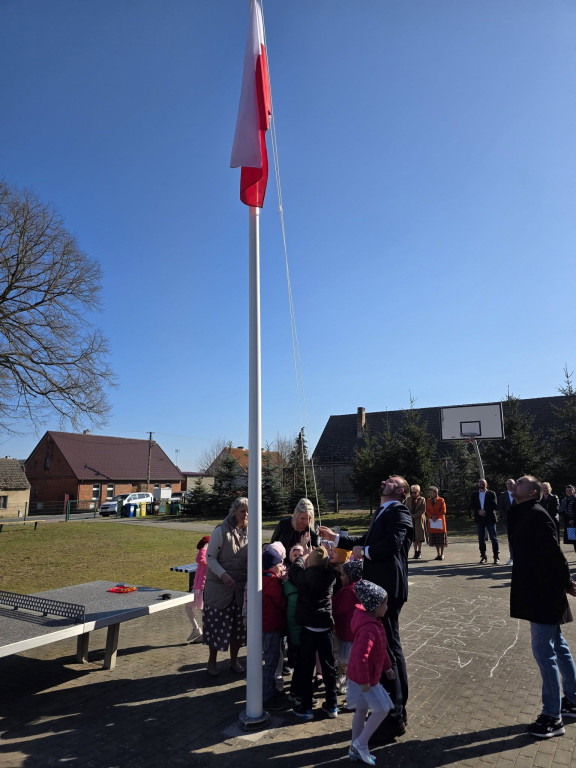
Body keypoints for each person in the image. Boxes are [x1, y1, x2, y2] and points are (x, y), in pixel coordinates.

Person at [320, 475, 413, 738]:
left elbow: (392, 544)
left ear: (401, 491)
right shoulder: (383, 511)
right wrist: (336, 538)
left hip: (388, 591)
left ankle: (395, 713)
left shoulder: (400, 510)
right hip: (378, 588)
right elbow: (364, 541)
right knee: (385, 648)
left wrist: (366, 552)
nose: (384, 480)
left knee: (389, 649)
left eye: (392, 480)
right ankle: (390, 709)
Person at [510, 475, 576, 739]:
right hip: (534, 590)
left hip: (543, 593)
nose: (517, 483)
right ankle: (572, 699)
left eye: (522, 482)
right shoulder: (522, 511)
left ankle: (552, 716)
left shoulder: (537, 515)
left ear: (533, 492)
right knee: (557, 645)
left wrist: (566, 582)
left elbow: (554, 553)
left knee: (544, 652)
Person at [346, 580, 395, 765]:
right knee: (383, 708)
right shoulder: (369, 628)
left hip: (365, 677)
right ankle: (361, 742)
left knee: (362, 710)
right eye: (385, 604)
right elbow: (361, 658)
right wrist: (365, 681)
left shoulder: (375, 623)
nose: (387, 607)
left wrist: (388, 667)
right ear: (375, 607)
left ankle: (355, 748)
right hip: (365, 679)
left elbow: (381, 650)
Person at [288, 545, 338, 720]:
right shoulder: (331, 576)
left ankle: (306, 707)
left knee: (306, 668)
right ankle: (332, 705)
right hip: (325, 627)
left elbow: (294, 571)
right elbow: (334, 565)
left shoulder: (304, 577)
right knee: (329, 667)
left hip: (308, 628)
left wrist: (303, 556)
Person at [202, 497, 248, 677]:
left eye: (247, 511)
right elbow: (210, 557)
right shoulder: (221, 531)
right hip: (219, 589)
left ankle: (234, 660)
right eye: (242, 511)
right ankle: (211, 661)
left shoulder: (249, 532)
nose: (245, 515)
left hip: (239, 589)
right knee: (217, 626)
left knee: (238, 628)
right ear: (234, 512)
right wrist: (223, 574)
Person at [261, 548, 288, 711]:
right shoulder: (272, 582)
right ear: (272, 566)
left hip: (264, 626)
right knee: (271, 660)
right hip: (271, 626)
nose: (282, 567)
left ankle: (270, 689)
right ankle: (266, 694)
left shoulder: (261, 579)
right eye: (280, 564)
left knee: (270, 659)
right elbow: (281, 603)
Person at [333, 558, 363, 692]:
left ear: (351, 576)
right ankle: (346, 681)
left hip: (346, 632)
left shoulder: (348, 591)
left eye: (343, 575)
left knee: (345, 661)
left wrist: (330, 601)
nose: (341, 577)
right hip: (353, 632)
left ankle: (347, 684)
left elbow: (339, 609)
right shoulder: (359, 587)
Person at [186, 535, 210, 643]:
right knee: (189, 607)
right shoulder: (206, 554)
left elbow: (200, 559)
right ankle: (197, 629)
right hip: (197, 587)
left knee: (202, 610)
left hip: (202, 588)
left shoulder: (208, 555)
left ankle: (205, 632)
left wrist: (204, 547)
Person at [469, 478, 500, 564]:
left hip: (490, 518)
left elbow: (494, 505)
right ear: (478, 484)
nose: (481, 484)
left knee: (493, 538)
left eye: (483, 483)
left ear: (486, 485)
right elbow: (472, 505)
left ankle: (496, 556)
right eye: (480, 483)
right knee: (481, 539)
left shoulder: (491, 493)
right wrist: (479, 511)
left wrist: (485, 511)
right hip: (480, 519)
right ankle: (483, 556)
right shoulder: (474, 494)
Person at [405, 484, 427, 559]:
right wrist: (411, 515)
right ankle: (415, 552)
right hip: (411, 520)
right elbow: (406, 508)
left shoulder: (422, 499)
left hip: (419, 520)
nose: (413, 494)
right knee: (413, 537)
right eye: (412, 492)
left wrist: (416, 515)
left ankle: (419, 552)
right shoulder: (408, 499)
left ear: (418, 492)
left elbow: (423, 510)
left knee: (419, 537)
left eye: (415, 492)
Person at [426, 486, 447, 561]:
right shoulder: (428, 500)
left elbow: (444, 510)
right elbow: (427, 510)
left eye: (431, 492)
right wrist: (431, 516)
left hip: (440, 522)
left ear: (435, 492)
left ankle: (442, 554)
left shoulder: (441, 500)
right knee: (435, 539)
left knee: (441, 539)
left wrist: (436, 516)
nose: (430, 494)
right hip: (432, 522)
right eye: (429, 492)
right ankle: (438, 554)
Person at [497, 479, 516, 565]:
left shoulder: (518, 493)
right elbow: (501, 508)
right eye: (508, 484)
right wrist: (506, 517)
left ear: (514, 484)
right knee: (511, 540)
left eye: (511, 483)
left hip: (519, 520)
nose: (509, 485)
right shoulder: (503, 495)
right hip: (508, 521)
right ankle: (512, 557)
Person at [560, 485, 576, 553]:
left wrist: (573, 520)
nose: (568, 492)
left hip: (575, 522)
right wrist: (569, 520)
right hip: (569, 524)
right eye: (567, 490)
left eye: (570, 490)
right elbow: (561, 511)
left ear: (574, 491)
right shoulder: (564, 500)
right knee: (573, 541)